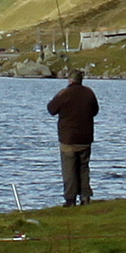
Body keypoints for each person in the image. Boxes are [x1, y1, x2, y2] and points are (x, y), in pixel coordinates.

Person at [47, 69, 99, 206]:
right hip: (85, 138)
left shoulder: (64, 93)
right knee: (83, 168)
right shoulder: (89, 93)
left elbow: (51, 109)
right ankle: (85, 196)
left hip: (68, 138)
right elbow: (95, 111)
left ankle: (70, 199)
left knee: (69, 169)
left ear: (70, 80)